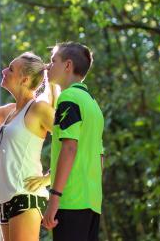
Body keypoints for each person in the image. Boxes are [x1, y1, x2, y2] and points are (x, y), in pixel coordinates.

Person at [0, 48, 55, 241]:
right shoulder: (10, 111)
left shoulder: (38, 109)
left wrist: (48, 178)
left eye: (10, 69)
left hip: (26, 195)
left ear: (25, 79)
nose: (4, 71)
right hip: (6, 199)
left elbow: (73, 142)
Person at [42, 42, 105, 241]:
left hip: (70, 201)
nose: (47, 66)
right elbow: (101, 158)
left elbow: (69, 148)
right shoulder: (93, 104)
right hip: (92, 203)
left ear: (67, 66)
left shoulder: (68, 98)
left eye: (53, 61)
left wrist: (54, 199)